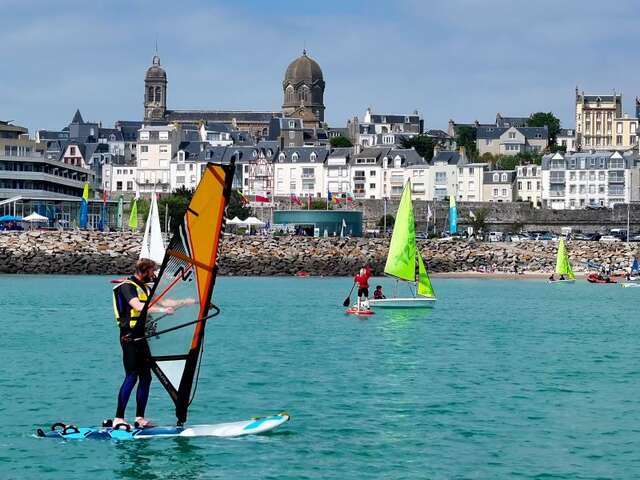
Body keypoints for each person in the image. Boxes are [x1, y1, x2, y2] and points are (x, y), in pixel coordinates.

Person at [112, 258, 194, 429]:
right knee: (132, 376)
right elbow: (138, 306)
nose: (154, 275)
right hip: (129, 338)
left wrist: (189, 302)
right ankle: (118, 418)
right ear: (144, 270)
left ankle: (139, 418)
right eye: (152, 271)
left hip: (142, 339)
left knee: (146, 378)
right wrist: (163, 310)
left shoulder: (146, 288)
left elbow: (165, 303)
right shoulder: (127, 287)